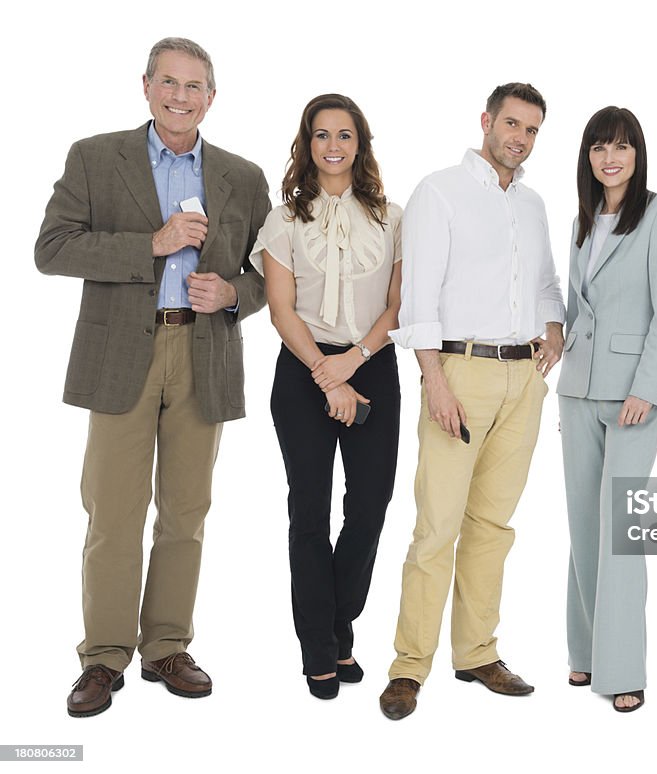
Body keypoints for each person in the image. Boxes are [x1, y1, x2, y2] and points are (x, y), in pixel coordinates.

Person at [35, 37, 270, 717]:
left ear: (212, 98)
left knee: (187, 511)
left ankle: (167, 645)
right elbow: (51, 249)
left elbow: (269, 276)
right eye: (169, 83)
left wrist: (230, 295)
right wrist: (152, 245)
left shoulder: (242, 176)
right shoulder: (95, 157)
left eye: (194, 86)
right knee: (112, 512)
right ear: (145, 87)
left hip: (203, 355)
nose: (180, 96)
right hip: (120, 357)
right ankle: (105, 658)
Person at [380, 82, 565, 720]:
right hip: (459, 372)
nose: (520, 138)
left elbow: (544, 282)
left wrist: (555, 329)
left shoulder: (535, 203)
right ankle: (409, 666)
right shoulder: (440, 191)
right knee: (437, 526)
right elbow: (418, 294)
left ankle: (477, 652)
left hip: (524, 379)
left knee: (493, 527)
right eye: (512, 124)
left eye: (533, 130)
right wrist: (433, 379)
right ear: (486, 121)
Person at [251, 94, 402, 700]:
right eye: (321, 135)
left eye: (345, 135)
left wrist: (354, 364)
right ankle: (320, 646)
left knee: (368, 509)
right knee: (308, 512)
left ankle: (340, 624)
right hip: (302, 371)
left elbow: (398, 306)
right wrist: (325, 371)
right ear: (307, 144)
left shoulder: (394, 217)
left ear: (360, 143)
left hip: (373, 364)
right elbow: (281, 311)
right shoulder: (284, 219)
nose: (333, 145)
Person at [558, 107, 657, 713]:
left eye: (622, 147)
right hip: (578, 387)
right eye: (599, 148)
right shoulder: (583, 219)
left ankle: (624, 668)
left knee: (621, 530)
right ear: (588, 157)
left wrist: (648, 388)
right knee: (584, 524)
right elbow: (574, 307)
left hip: (634, 393)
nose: (610, 158)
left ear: (637, 154)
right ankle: (584, 654)